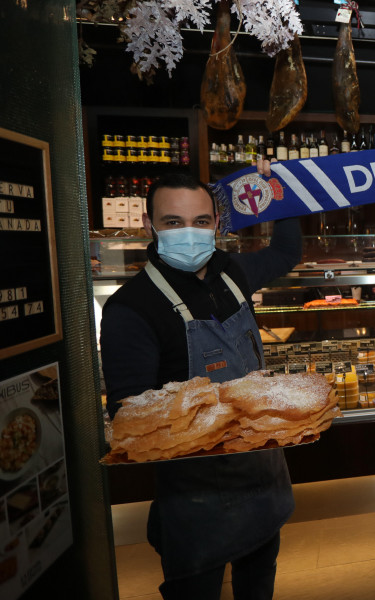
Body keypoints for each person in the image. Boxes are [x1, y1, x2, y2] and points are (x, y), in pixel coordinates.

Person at [100, 169, 302, 600]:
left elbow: (287, 250)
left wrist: (283, 189)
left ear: (217, 224)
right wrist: (221, 418)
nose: (189, 233)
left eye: (201, 222)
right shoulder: (130, 309)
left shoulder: (233, 273)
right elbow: (130, 418)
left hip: (264, 484)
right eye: (173, 222)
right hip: (196, 505)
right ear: (148, 226)